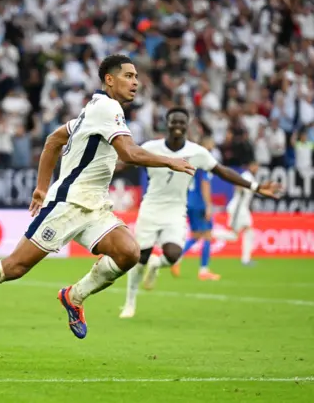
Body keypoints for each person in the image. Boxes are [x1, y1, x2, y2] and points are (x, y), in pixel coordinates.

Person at [0, 54, 196, 350]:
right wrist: (168, 160)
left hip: (95, 206)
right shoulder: (107, 108)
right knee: (14, 267)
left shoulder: (93, 110)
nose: (135, 82)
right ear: (109, 80)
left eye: (137, 77)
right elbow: (129, 153)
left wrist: (40, 188)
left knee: (128, 252)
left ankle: (74, 297)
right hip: (67, 205)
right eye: (128, 76)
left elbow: (53, 140)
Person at [119, 109, 280, 319]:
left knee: (173, 255)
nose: (177, 125)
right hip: (151, 208)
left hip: (176, 210)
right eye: (173, 121)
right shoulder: (150, 148)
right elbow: (126, 161)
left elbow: (222, 171)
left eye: (182, 122)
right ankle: (130, 303)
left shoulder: (197, 152)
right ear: (166, 124)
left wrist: (255, 186)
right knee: (141, 257)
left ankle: (158, 264)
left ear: (188, 126)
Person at [170, 136, 223, 281]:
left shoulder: (191, 161)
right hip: (200, 203)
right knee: (207, 235)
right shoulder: (205, 162)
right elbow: (205, 184)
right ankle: (204, 271)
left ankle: (176, 259)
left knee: (196, 235)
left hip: (190, 201)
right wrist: (208, 206)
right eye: (211, 146)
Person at [225, 161, 260, 266]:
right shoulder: (246, 176)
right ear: (251, 166)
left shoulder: (250, 177)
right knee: (248, 232)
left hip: (242, 208)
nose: (257, 168)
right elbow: (237, 185)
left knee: (234, 236)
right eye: (256, 166)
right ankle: (246, 260)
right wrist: (241, 190)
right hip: (238, 208)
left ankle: (210, 234)